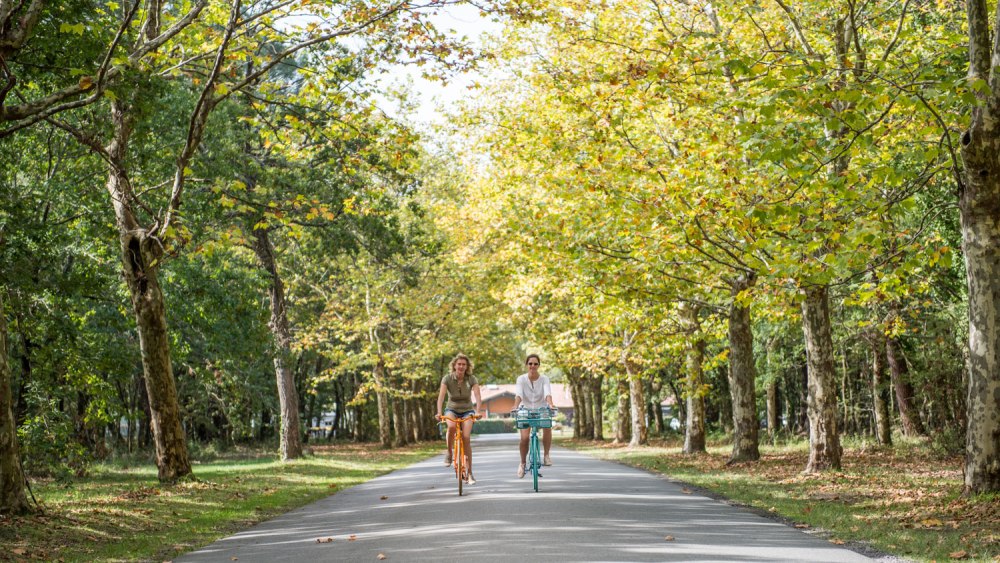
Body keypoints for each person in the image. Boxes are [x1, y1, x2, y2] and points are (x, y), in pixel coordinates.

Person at [436, 353, 484, 484]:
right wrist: (439, 412)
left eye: (464, 364)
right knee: (451, 427)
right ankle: (449, 454)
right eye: (459, 364)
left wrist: (478, 411)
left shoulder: (471, 379)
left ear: (467, 367)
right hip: (451, 409)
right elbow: (441, 397)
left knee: (466, 437)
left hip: (467, 410)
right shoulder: (447, 378)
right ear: (454, 366)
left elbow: (478, 396)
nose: (461, 366)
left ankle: (470, 474)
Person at [512, 354, 556, 478]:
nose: (533, 366)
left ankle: (546, 455)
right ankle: (522, 463)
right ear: (527, 365)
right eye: (530, 363)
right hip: (525, 409)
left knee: (547, 425)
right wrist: (515, 406)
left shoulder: (544, 379)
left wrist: (551, 404)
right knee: (524, 439)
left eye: (535, 364)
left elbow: (547, 393)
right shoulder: (521, 379)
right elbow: (519, 394)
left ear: (538, 365)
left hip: (541, 408)